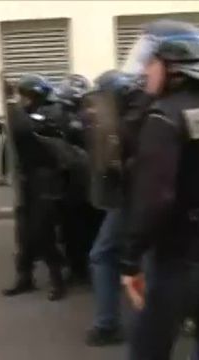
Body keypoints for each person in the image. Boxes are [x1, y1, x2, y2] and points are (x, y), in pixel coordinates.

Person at [118, 20, 199, 359]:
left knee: (149, 346)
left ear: (173, 66)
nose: (144, 70)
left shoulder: (163, 117)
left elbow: (154, 199)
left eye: (151, 61)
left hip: (179, 253)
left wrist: (131, 258)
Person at [80, 69, 152, 346]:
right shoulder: (140, 116)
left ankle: (109, 324)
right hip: (134, 198)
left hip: (134, 199)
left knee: (105, 255)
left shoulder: (133, 122)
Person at [2, 74, 68, 301]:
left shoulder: (51, 113)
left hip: (45, 180)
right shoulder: (24, 114)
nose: (22, 100)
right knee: (23, 233)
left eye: (25, 96)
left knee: (43, 231)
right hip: (26, 179)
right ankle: (24, 277)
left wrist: (11, 104)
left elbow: (25, 129)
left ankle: (57, 280)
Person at [54, 74, 105, 287]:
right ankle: (80, 268)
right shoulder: (64, 118)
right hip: (77, 184)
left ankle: (84, 268)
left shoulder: (89, 118)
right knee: (76, 228)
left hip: (84, 183)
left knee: (84, 227)